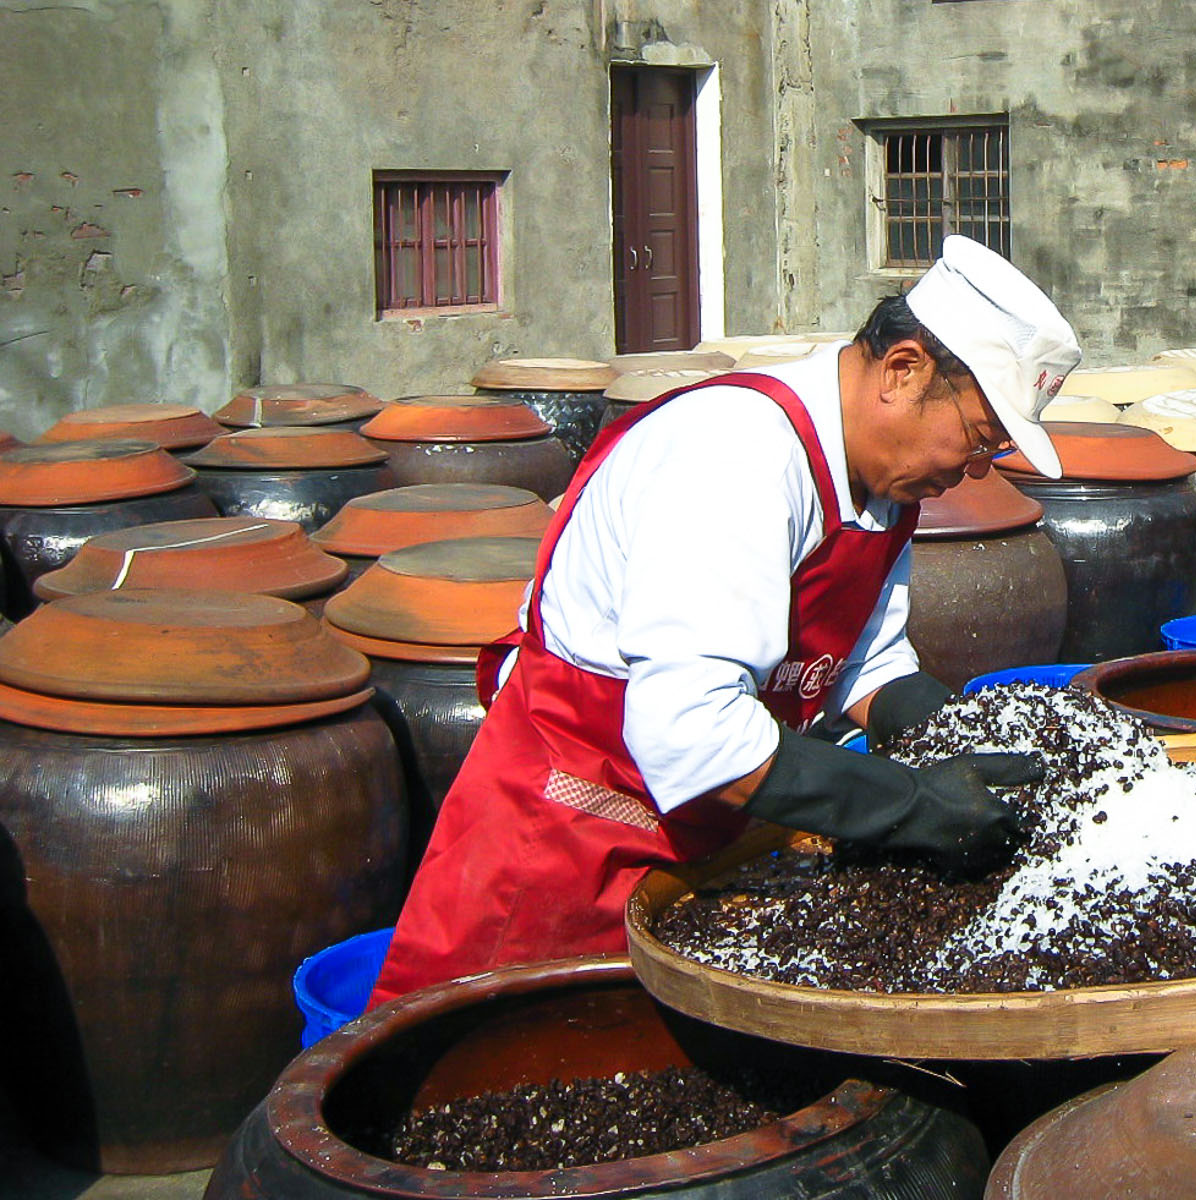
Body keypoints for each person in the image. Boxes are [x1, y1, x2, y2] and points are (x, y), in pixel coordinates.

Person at [367, 235, 1082, 1005]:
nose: (975, 470)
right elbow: (693, 735)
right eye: (979, 438)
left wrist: (952, 733)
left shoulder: (883, 488)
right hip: (568, 845)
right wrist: (909, 805)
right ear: (902, 371)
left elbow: (862, 667)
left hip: (707, 838)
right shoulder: (735, 456)